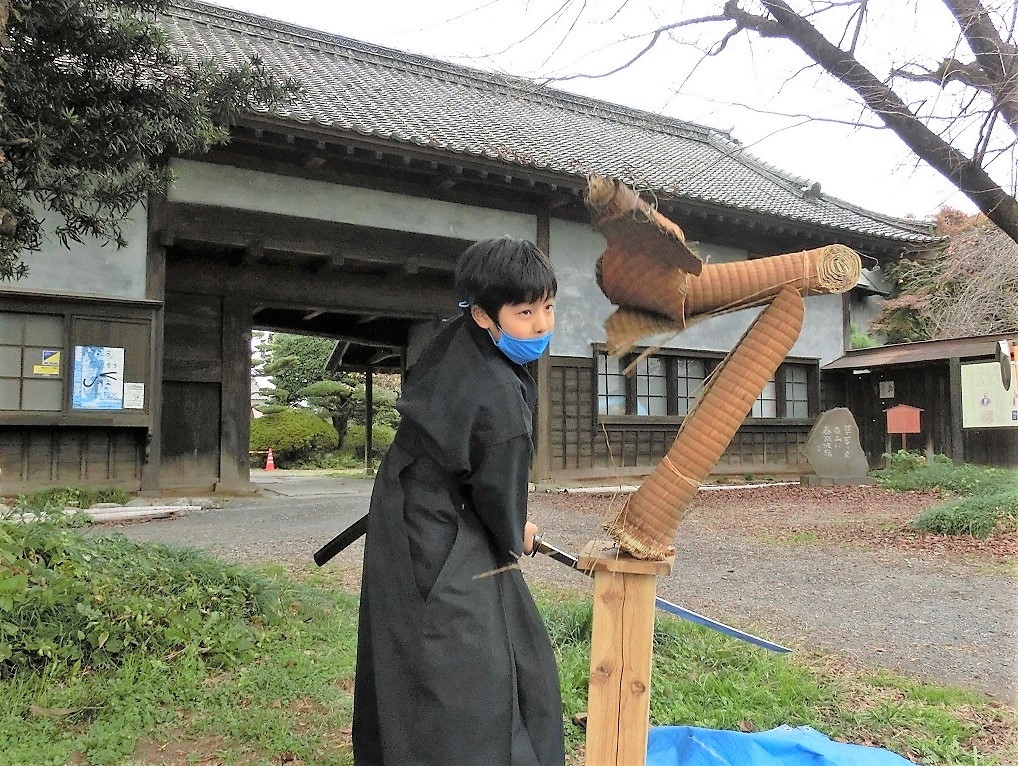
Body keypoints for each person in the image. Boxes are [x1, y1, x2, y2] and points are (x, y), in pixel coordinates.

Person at [353, 236, 565, 766]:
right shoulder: (500, 402)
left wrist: (507, 525)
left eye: (548, 307)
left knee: (420, 644)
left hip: (408, 499)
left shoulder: (457, 338)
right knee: (466, 660)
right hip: (434, 522)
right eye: (524, 313)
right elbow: (500, 499)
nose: (541, 325)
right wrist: (516, 533)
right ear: (482, 314)